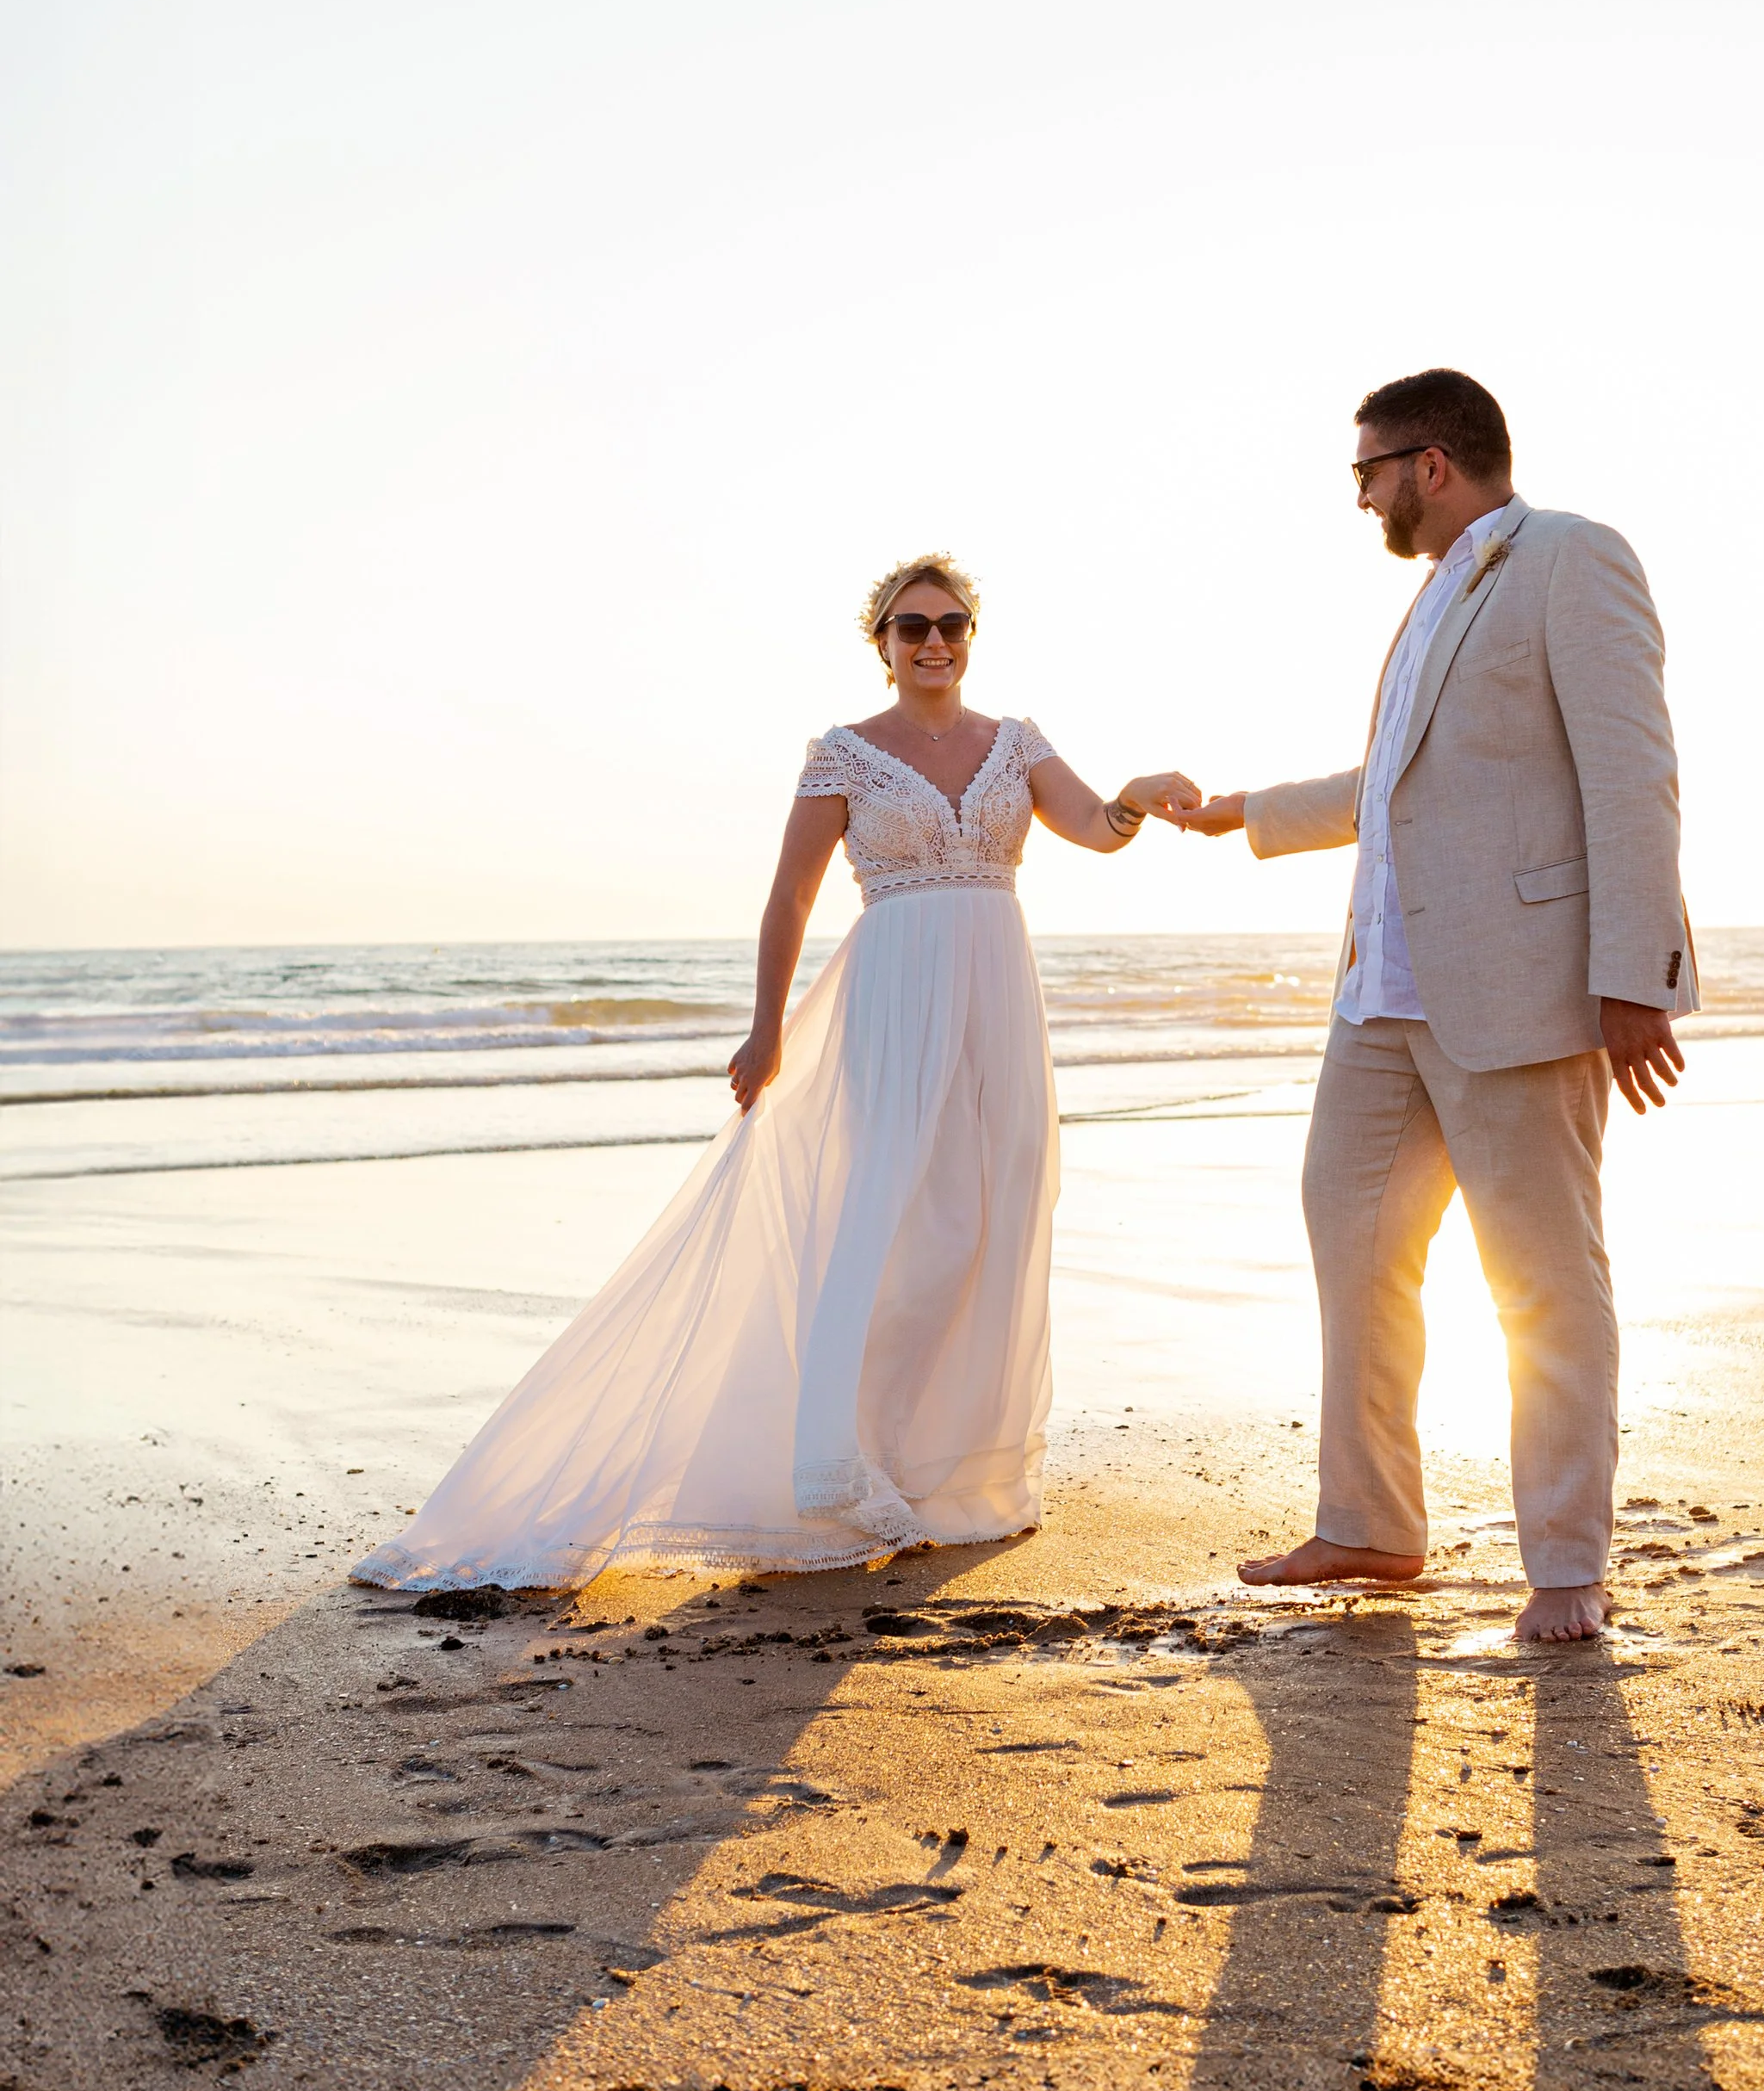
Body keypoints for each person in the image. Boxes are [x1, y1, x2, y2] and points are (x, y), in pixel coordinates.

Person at [355, 555, 1195, 1590]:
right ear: (880, 642)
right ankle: (838, 1464)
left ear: (972, 635)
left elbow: (1091, 830)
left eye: (952, 624)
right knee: (896, 1223)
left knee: (992, 1218)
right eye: (910, 625)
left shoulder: (1016, 741)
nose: (933, 641)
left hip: (998, 1000)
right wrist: (767, 1029)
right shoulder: (843, 754)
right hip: (893, 999)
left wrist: (1140, 799)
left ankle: (949, 1475)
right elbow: (790, 900)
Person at [1167, 369, 1694, 1643]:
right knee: (1349, 1233)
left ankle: (1567, 1564)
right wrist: (1242, 810)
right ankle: (1372, 1522)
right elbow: (1398, 782)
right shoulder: (1430, 597)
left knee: (1544, 1277)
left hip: (1526, 989)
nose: (1363, 498)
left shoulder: (1573, 558)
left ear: (1434, 462)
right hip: (1381, 996)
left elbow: (1634, 771)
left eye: (1369, 473)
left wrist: (1633, 976)